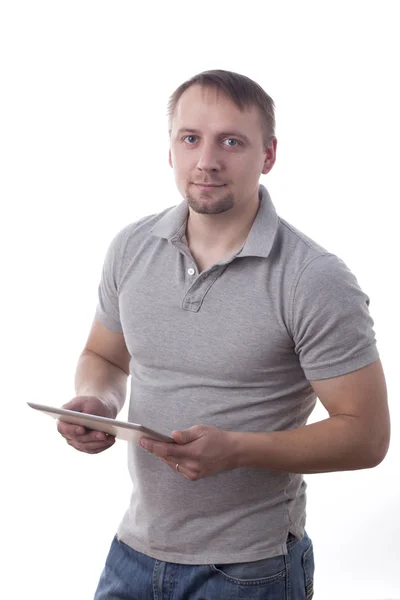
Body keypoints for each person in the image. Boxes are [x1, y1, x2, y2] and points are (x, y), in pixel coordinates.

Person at [57, 69, 390, 600]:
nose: (206, 160)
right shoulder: (131, 247)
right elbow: (105, 355)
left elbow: (367, 436)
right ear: (171, 150)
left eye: (231, 142)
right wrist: (96, 401)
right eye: (190, 138)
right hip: (133, 552)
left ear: (269, 155)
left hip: (249, 570)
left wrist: (235, 449)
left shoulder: (313, 278)